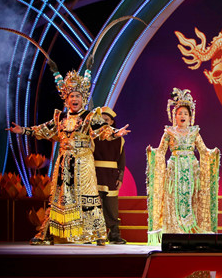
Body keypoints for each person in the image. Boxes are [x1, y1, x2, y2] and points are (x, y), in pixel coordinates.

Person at [7, 69, 130, 245]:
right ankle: (48, 233)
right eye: (72, 96)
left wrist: (116, 133)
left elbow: (103, 130)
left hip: (84, 163)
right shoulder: (60, 118)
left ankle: (95, 234)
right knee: (60, 197)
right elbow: (43, 130)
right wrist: (23, 130)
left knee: (87, 197)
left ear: (83, 98)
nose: (74, 99)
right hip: (65, 163)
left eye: (78, 96)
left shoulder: (89, 117)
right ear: (66, 99)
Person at [146, 88, 220, 245]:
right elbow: (161, 151)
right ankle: (175, 230)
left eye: (185, 113)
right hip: (175, 169)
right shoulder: (169, 132)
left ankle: (190, 229)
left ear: (190, 117)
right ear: (175, 116)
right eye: (180, 113)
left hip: (191, 169)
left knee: (190, 197)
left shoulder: (194, 132)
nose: (182, 116)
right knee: (174, 198)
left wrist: (212, 153)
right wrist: (153, 153)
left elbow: (203, 150)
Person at [94, 106, 127, 244]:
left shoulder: (119, 138)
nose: (103, 122)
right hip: (95, 173)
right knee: (94, 205)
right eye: (101, 120)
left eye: (106, 120)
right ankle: (96, 234)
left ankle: (114, 234)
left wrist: (120, 177)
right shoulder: (93, 136)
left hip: (111, 174)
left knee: (111, 206)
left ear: (112, 122)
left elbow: (121, 159)